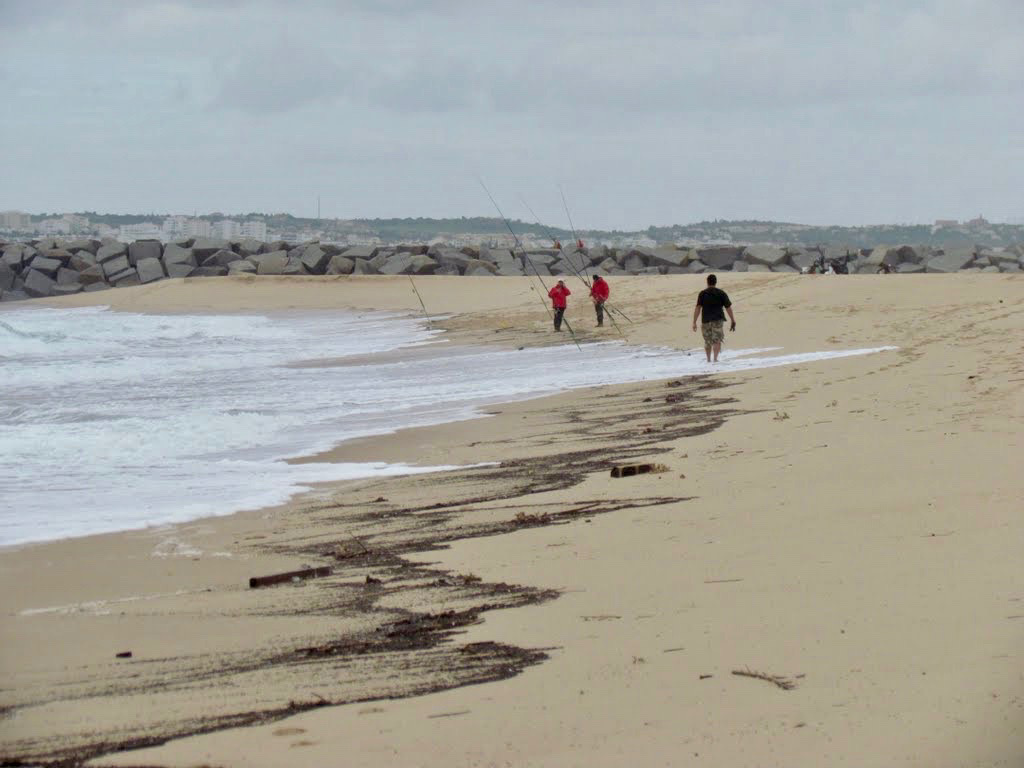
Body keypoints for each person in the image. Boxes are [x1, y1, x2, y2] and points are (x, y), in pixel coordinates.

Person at [692, 273, 736, 363]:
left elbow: (698, 308)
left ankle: (708, 360)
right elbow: (728, 307)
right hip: (717, 320)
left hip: (705, 320)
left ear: (707, 282)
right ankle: (715, 359)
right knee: (717, 340)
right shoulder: (721, 293)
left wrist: (694, 322)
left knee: (707, 341)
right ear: (715, 282)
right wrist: (732, 319)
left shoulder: (703, 294)